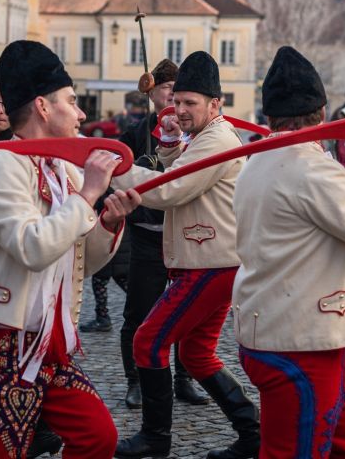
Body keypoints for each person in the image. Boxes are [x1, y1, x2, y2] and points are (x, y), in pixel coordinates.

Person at [0, 40, 140, 458]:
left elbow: (78, 261)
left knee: (98, 436)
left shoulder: (63, 169)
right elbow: (33, 248)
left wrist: (107, 223)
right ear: (42, 106)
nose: (81, 114)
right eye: (71, 101)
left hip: (47, 344)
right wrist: (87, 196)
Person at [233, 46, 345, 458]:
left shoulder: (260, 160)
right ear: (321, 111)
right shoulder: (309, 166)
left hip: (289, 331)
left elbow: (328, 211)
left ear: (269, 116)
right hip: (302, 344)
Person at [112, 51, 259, 459]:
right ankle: (253, 433)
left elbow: (170, 189)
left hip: (208, 266)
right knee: (195, 354)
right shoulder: (209, 135)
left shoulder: (217, 140)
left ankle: (155, 438)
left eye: (190, 103)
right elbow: (184, 172)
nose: (179, 110)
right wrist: (172, 143)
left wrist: (115, 169)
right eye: (176, 101)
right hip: (210, 261)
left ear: (216, 104)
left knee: (148, 341)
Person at [117, 58, 208, 409]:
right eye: (167, 88)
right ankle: (136, 381)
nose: (172, 96)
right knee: (139, 312)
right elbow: (119, 171)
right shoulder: (136, 132)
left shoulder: (196, 133)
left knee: (188, 312)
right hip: (147, 234)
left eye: (178, 90)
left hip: (185, 232)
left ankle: (184, 379)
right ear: (151, 92)